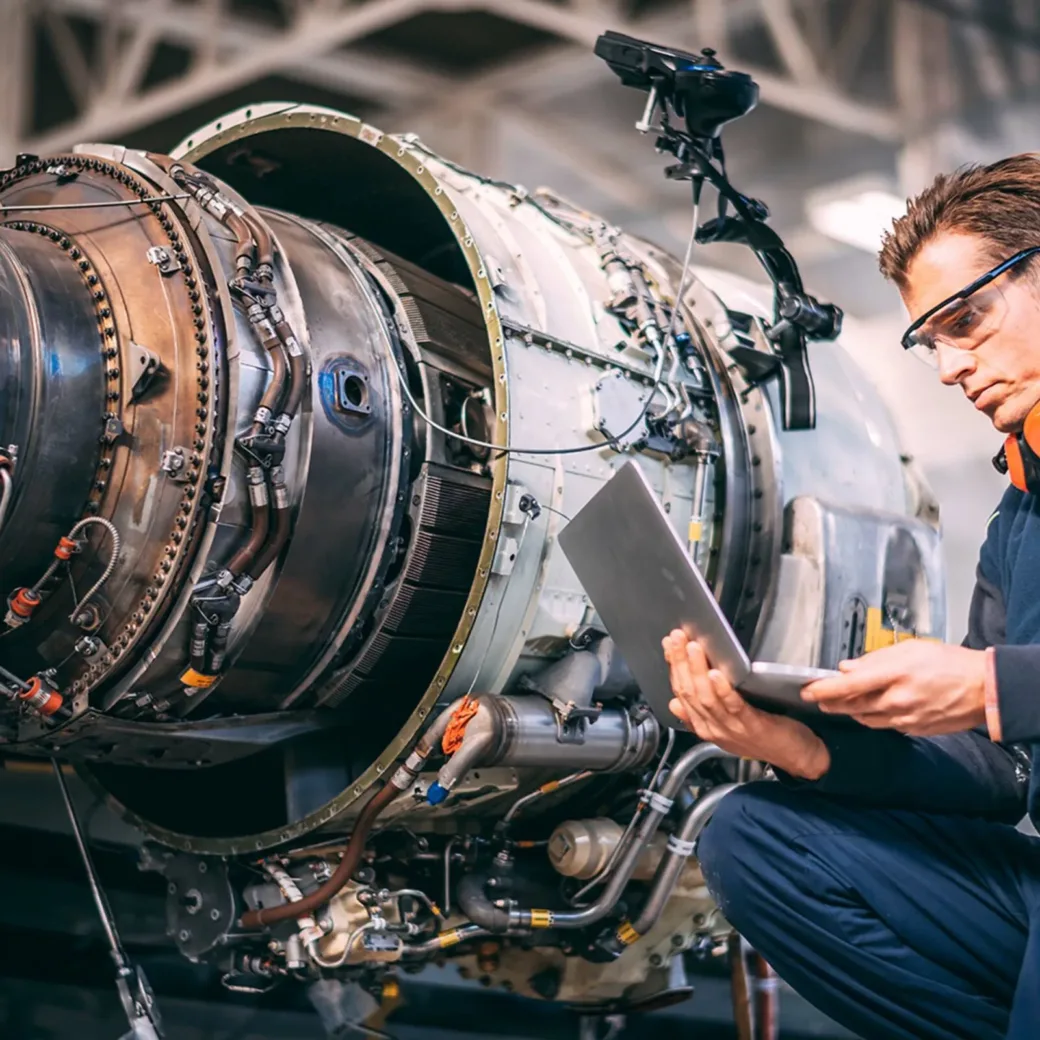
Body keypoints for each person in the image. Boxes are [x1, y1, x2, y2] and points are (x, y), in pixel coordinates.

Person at [665, 155, 1040, 1040]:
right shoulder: (1020, 515)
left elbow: (1001, 697)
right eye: (932, 339)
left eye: (968, 319)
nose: (950, 367)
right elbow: (1003, 775)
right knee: (753, 840)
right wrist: (796, 744)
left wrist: (993, 687)